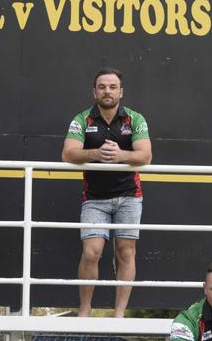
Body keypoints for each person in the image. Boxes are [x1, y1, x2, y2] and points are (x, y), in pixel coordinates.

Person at [61, 67, 152, 318]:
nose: (107, 91)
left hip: (130, 196)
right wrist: (96, 154)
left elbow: (145, 155)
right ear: (94, 92)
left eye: (112, 87)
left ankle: (119, 313)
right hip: (94, 198)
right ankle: (85, 310)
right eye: (102, 87)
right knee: (91, 252)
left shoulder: (135, 119)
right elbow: (68, 153)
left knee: (126, 251)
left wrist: (120, 155)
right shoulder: (82, 119)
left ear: (121, 92)